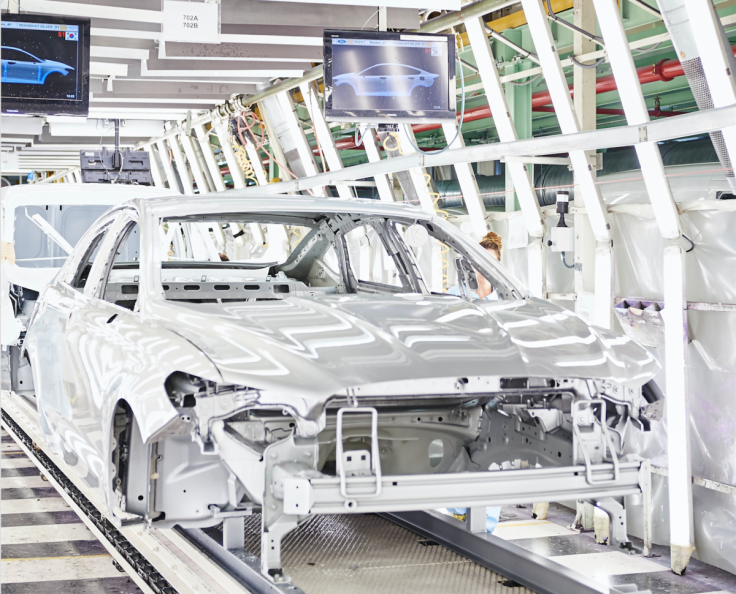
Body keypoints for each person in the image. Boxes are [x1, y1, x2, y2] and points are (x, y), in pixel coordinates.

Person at [443, 231, 505, 532]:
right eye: (479, 263)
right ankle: (456, 513)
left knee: (493, 458)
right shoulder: (453, 296)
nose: (484, 270)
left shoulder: (507, 301)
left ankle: (486, 527)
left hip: (494, 391)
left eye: (490, 264)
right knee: (457, 452)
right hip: (459, 389)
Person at [447, 231, 503, 301]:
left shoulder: (503, 298)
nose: (485, 268)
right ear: (473, 263)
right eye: (481, 261)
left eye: (490, 262)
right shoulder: (454, 293)